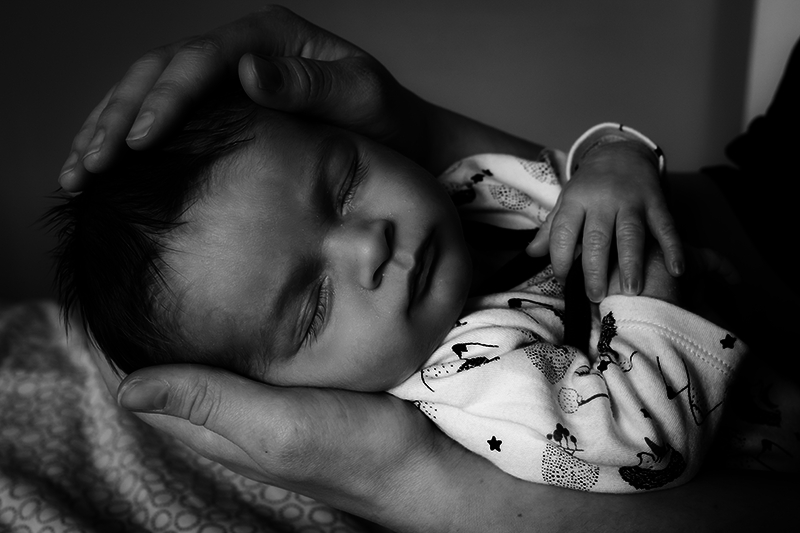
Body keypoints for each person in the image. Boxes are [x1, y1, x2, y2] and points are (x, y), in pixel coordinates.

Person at [57, 6, 794, 531]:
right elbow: (648, 443)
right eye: (314, 306)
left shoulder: (472, 190)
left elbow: (576, 182)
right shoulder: (475, 386)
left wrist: (614, 156)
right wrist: (644, 274)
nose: (368, 245)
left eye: (344, 184)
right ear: (277, 394)